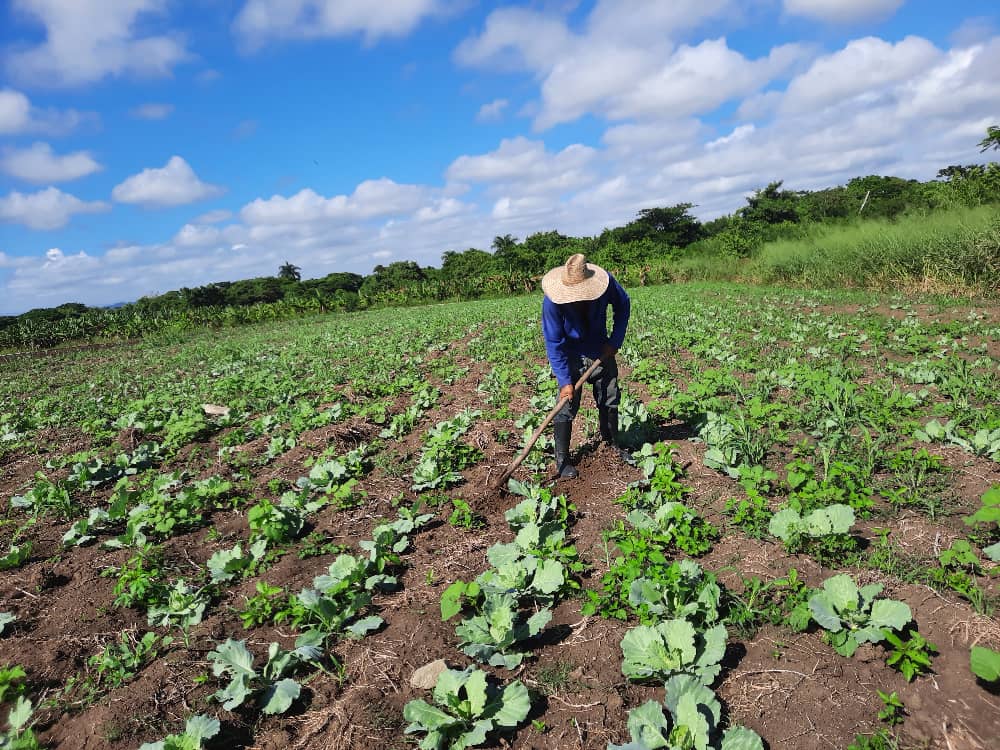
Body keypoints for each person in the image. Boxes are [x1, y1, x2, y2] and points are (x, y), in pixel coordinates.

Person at [541, 253, 632, 478]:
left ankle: (611, 445)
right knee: (566, 405)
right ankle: (562, 460)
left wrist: (615, 341)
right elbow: (554, 342)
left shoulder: (606, 283)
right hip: (571, 355)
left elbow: (623, 304)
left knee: (609, 397)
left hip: (602, 349)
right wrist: (564, 381)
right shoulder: (552, 301)